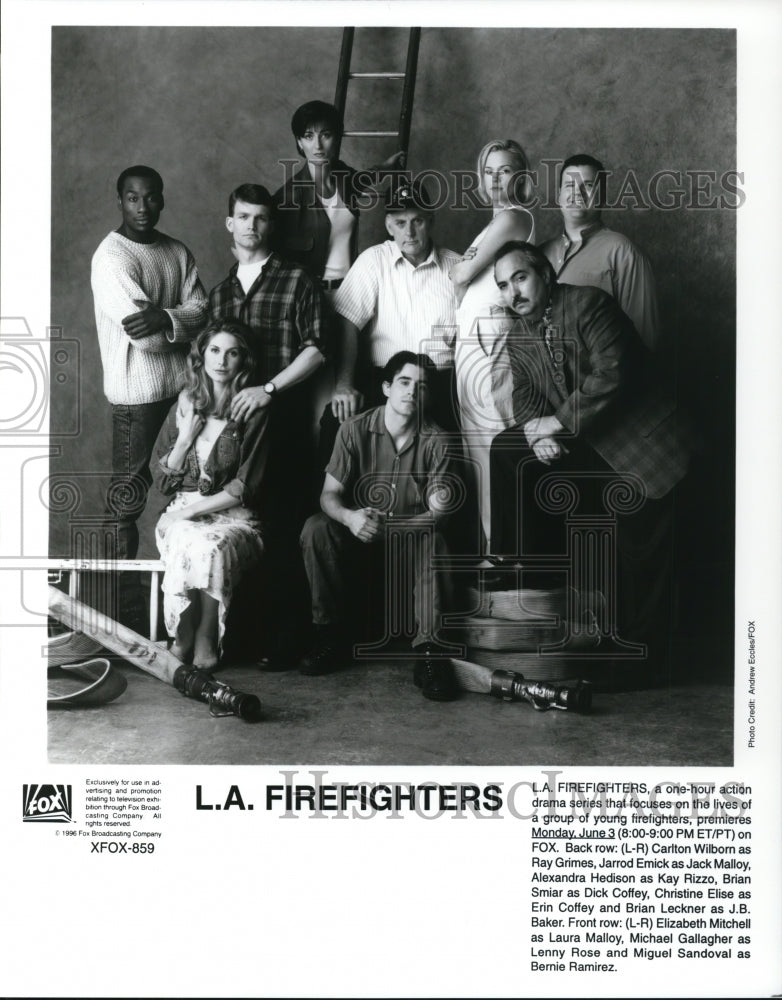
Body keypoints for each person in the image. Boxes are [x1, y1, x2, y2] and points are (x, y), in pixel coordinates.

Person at [488, 242, 694, 669]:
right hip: (590, 446)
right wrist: (534, 433)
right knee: (509, 449)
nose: (513, 293)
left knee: (637, 541)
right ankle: (532, 584)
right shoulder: (518, 336)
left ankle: (643, 659)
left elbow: (613, 372)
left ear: (545, 274)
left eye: (520, 278)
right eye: (504, 286)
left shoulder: (589, 304)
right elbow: (525, 398)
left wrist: (557, 424)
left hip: (640, 445)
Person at [209, 182, 326, 664]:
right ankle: (239, 639)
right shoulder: (220, 293)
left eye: (260, 218)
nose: (251, 226)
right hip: (235, 436)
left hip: (285, 426)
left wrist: (269, 389)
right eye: (243, 216)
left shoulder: (297, 280)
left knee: (282, 533)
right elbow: (211, 365)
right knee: (240, 529)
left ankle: (287, 642)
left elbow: (317, 349)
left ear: (270, 225)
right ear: (229, 223)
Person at [298, 352, 460, 701]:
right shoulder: (353, 429)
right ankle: (330, 638)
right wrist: (351, 518)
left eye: (421, 387)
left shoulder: (438, 440)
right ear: (386, 387)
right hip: (360, 531)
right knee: (317, 528)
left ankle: (431, 653)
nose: (412, 392)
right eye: (404, 382)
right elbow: (329, 496)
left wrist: (397, 528)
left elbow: (440, 514)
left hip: (411, 536)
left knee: (437, 541)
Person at [91, 164, 208, 630]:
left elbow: (205, 310)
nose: (143, 207)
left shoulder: (176, 251)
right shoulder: (111, 258)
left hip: (181, 391)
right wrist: (173, 322)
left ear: (162, 199)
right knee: (127, 501)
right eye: (133, 198)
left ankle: (180, 607)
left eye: (151, 197)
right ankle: (116, 612)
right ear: (120, 200)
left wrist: (166, 317)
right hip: (136, 396)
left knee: (185, 489)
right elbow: (147, 341)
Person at [153, 320, 267, 670]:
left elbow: (244, 488)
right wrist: (185, 437)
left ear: (243, 361)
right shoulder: (185, 405)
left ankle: (203, 634)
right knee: (187, 537)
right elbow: (162, 481)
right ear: (201, 357)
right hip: (182, 511)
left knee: (208, 546)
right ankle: (182, 630)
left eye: (232, 353)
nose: (221, 361)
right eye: (214, 350)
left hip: (234, 518)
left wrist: (185, 514)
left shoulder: (254, 411)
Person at [449, 140, 536, 552]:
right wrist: (463, 271)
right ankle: (493, 551)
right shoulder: (494, 224)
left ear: (520, 175)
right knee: (476, 447)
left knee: (495, 441)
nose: (496, 178)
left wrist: (464, 269)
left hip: (492, 336)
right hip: (472, 340)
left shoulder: (515, 217)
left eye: (505, 170)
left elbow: (463, 270)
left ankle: (506, 553)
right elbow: (461, 273)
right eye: (489, 171)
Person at [330, 178, 461, 432]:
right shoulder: (373, 261)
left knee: (455, 444)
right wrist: (344, 384)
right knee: (333, 423)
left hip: (440, 383)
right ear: (389, 226)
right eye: (400, 223)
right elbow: (347, 322)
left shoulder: (457, 267)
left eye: (417, 221)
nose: (409, 233)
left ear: (431, 221)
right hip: (385, 383)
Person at [272, 99, 404, 289]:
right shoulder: (287, 198)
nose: (317, 145)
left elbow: (362, 180)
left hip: (353, 292)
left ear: (336, 138)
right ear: (299, 143)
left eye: (325, 135)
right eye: (309, 136)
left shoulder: (343, 176)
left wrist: (386, 167)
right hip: (312, 298)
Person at [539, 153, 660, 351]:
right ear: (558, 195)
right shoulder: (539, 254)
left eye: (587, 185)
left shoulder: (623, 253)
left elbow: (644, 339)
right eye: (569, 186)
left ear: (602, 195)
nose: (577, 192)